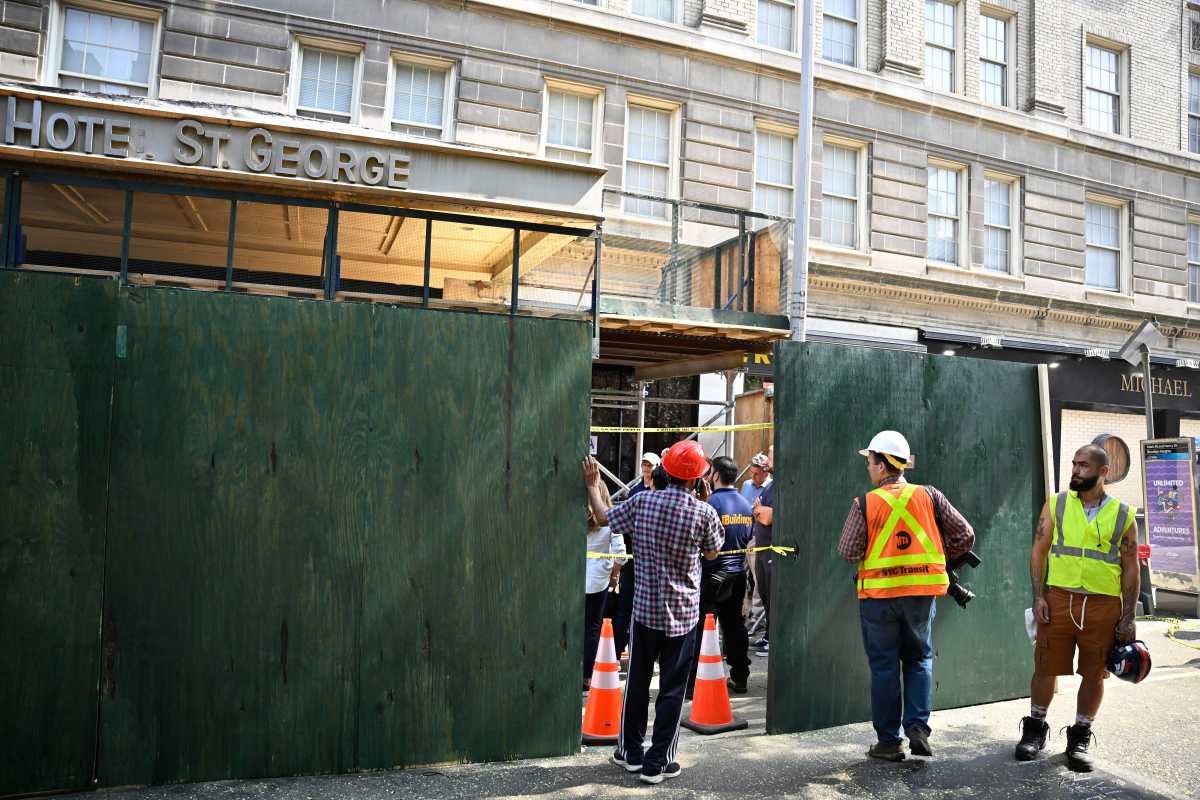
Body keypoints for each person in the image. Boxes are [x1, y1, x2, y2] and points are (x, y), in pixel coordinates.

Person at [584, 441, 723, 785]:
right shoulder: (703, 512)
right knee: (672, 690)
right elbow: (711, 555)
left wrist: (591, 483)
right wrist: (701, 504)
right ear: (697, 480)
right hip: (684, 616)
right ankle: (657, 761)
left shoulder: (643, 501)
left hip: (645, 611)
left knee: (636, 684)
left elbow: (604, 517)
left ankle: (630, 753)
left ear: (667, 472)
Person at [838, 430, 975, 762]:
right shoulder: (929, 495)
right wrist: (939, 557)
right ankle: (917, 727)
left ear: (883, 466)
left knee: (884, 667)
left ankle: (888, 742)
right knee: (918, 659)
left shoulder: (866, 503)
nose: (869, 469)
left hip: (879, 598)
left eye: (871, 462)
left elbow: (848, 551)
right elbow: (965, 535)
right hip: (919, 597)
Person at [1015, 443, 1139, 772]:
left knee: (1094, 673)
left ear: (1103, 472)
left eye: (1083, 466)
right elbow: (1039, 551)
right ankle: (1035, 729)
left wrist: (1128, 616)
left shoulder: (1123, 515)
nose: (1075, 470)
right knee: (1044, 665)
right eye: (1074, 464)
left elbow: (1131, 568)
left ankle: (1080, 735)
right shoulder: (1056, 504)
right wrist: (1038, 596)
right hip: (1058, 599)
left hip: (1103, 606)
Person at [687, 456, 753, 697]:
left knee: (702, 628)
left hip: (712, 575)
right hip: (737, 575)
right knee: (735, 627)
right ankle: (739, 676)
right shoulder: (746, 505)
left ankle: (694, 682)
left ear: (715, 475)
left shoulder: (710, 503)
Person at [584, 479, 625, 691]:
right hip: (599, 580)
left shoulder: (575, 515)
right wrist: (614, 577)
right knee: (593, 628)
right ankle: (588, 675)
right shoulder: (612, 518)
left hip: (575, 579)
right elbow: (620, 556)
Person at [749, 446, 774, 656]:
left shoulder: (779, 487)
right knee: (764, 593)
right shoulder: (772, 486)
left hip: (772, 553)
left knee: (771, 595)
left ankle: (773, 639)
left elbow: (766, 516)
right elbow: (759, 511)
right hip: (761, 549)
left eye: (771, 457)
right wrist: (759, 510)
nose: (768, 461)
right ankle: (768, 635)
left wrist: (758, 510)